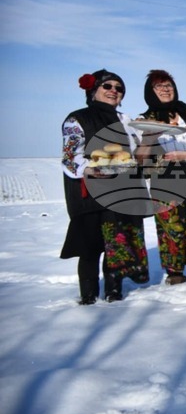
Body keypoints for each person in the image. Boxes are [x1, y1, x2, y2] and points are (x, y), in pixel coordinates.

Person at [60, 69, 149, 303]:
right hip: (90, 190)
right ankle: (88, 295)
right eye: (107, 86)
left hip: (122, 190)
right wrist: (90, 169)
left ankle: (113, 291)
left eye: (119, 88)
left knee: (116, 242)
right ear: (93, 90)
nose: (114, 91)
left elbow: (136, 155)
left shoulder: (126, 121)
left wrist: (150, 137)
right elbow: (70, 156)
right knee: (90, 246)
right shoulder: (78, 118)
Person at [136, 69, 186, 285]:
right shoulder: (145, 121)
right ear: (150, 91)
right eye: (159, 86)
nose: (165, 89)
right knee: (170, 228)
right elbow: (140, 159)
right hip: (165, 179)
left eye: (169, 85)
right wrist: (148, 138)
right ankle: (175, 273)